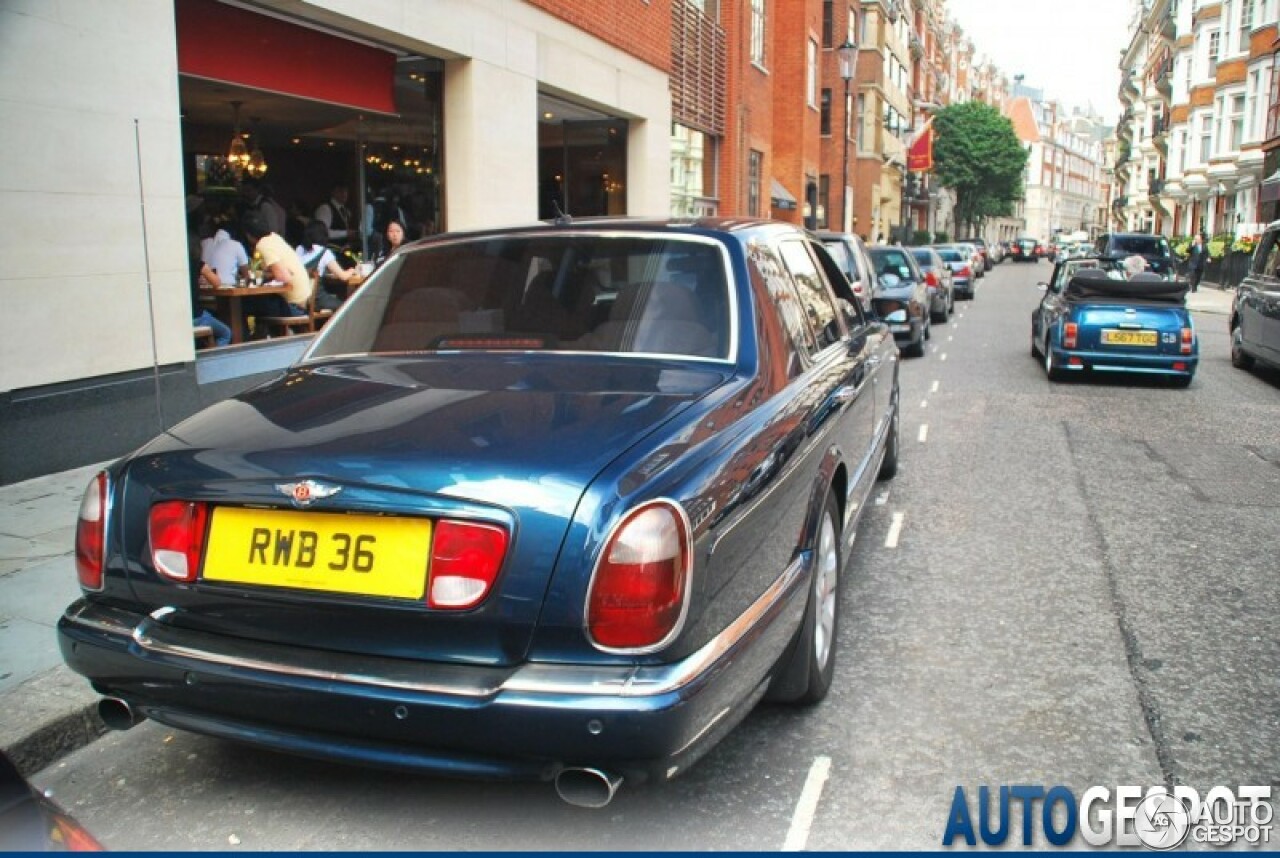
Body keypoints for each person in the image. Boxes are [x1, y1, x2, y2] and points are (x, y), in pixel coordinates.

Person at [240, 213, 310, 338]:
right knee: (254, 304)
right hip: (302, 301)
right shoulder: (275, 237)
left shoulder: (263, 245)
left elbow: (284, 277)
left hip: (292, 306)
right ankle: (260, 338)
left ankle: (243, 342)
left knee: (242, 305)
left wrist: (264, 276)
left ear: (248, 234)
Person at [296, 220, 358, 310]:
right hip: (317, 299)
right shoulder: (324, 252)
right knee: (347, 307)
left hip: (299, 299)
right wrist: (353, 270)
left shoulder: (299, 249)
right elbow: (343, 276)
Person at [188, 233, 232, 347]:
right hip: (196, 316)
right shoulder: (199, 265)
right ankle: (216, 360)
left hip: (180, 317)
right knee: (226, 333)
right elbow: (217, 283)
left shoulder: (177, 268)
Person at [200, 219, 249, 285]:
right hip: (227, 287)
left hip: (204, 288)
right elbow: (246, 274)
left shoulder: (204, 243)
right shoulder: (236, 245)